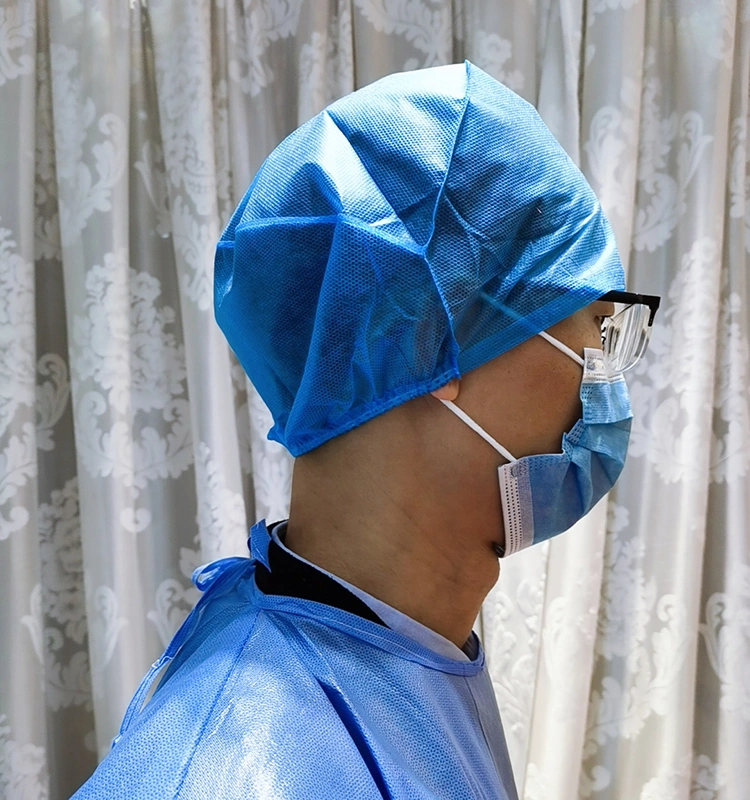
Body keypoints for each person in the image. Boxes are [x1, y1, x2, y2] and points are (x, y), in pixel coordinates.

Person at [73, 61, 660, 799]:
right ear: (432, 339)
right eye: (597, 329)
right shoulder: (223, 775)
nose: (606, 378)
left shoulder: (410, 651)